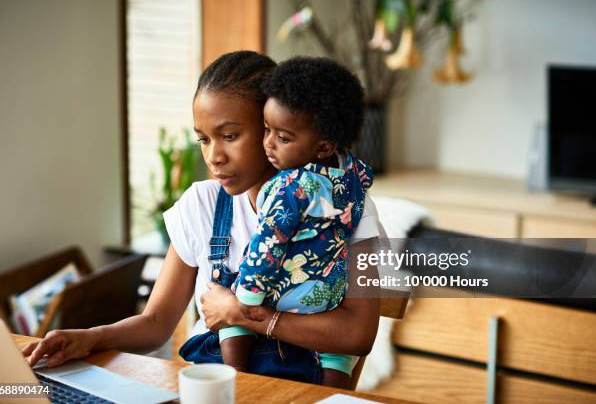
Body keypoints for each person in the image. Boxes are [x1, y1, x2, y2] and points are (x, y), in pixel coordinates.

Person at [22, 51, 382, 388]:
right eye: (204, 140)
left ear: (271, 124)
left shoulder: (348, 208)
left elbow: (357, 335)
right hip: (211, 383)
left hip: (294, 387)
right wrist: (90, 337)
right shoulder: (201, 203)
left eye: (229, 136)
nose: (214, 157)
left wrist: (240, 315)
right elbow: (156, 322)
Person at [216, 56, 372, 389]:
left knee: (231, 317)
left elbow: (267, 246)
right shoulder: (356, 176)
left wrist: (245, 303)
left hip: (282, 295)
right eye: (266, 130)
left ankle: (236, 379)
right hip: (326, 302)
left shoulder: (289, 187)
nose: (268, 143)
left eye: (283, 138)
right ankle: (333, 385)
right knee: (336, 359)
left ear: (323, 146)